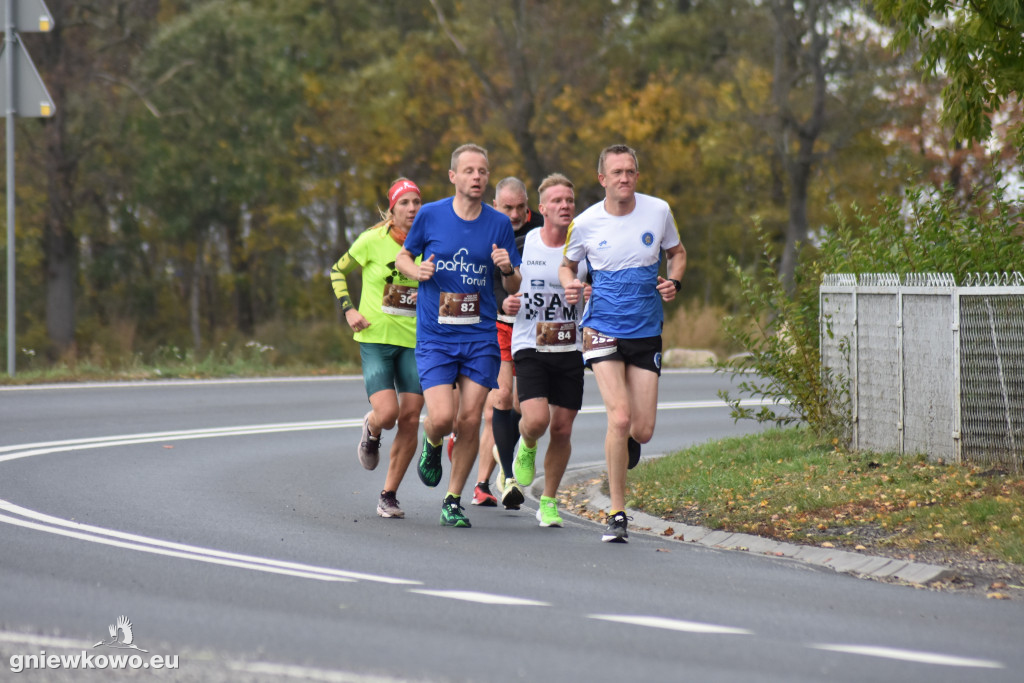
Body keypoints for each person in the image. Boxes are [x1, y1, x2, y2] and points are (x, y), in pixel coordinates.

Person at [559, 144, 686, 543]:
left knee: (642, 429)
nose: (624, 178)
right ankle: (617, 512)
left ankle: (630, 441)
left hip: (646, 329)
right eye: (616, 173)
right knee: (619, 417)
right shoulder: (584, 223)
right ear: (603, 179)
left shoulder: (659, 211)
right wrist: (571, 286)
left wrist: (674, 281)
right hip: (601, 330)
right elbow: (567, 264)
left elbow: (677, 253)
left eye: (630, 171)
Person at [396, 143, 522, 528]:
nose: (477, 177)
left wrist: (506, 270)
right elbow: (404, 256)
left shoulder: (498, 223)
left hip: (480, 334)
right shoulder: (431, 216)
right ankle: (432, 443)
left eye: (482, 171)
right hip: (436, 334)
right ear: (453, 176)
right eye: (469, 171)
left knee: (470, 419)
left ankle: (452, 500)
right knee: (443, 418)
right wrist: (414, 272)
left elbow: (515, 282)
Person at [330, 178, 425, 519]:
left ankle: (389, 494)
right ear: (392, 209)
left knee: (411, 418)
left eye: (416, 202)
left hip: (415, 342)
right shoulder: (372, 240)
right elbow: (337, 271)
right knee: (387, 415)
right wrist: (349, 309)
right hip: (375, 339)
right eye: (405, 203)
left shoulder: (429, 243)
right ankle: (371, 431)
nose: (412, 209)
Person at [505, 173, 587, 528]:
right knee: (537, 420)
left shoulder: (586, 249)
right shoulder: (525, 245)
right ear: (542, 209)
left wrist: (588, 296)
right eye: (556, 201)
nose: (564, 205)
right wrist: (506, 302)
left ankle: (549, 501)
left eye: (569, 200)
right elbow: (504, 282)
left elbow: (602, 291)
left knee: (564, 429)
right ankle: (526, 442)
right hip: (530, 343)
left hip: (570, 346)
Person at [471, 176, 544, 510]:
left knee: (519, 406)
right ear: (494, 205)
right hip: (498, 323)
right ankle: (498, 479)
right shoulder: (484, 228)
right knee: (500, 399)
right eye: (507, 208)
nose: (514, 214)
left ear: (528, 205)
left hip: (536, 327)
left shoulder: (543, 227)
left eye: (520, 207)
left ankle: (493, 474)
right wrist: (501, 303)